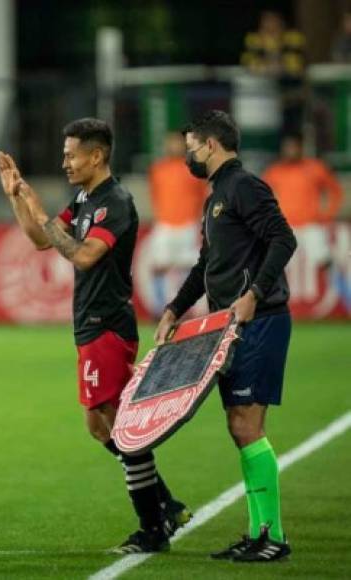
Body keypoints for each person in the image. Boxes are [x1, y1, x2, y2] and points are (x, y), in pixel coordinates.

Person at [0, 118, 190, 554]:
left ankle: (153, 528)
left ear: (96, 155)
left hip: (107, 324)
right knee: (98, 426)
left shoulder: (113, 202)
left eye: (71, 154)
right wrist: (18, 198)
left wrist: (41, 213)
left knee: (117, 423)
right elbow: (42, 240)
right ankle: (166, 504)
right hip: (89, 324)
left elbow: (82, 256)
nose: (64, 161)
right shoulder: (85, 198)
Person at [155, 110, 297, 562]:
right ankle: (258, 531)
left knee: (245, 425)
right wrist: (175, 308)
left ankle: (271, 535)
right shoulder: (217, 195)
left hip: (261, 320)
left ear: (212, 145)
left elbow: (283, 239)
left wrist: (255, 293)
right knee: (241, 427)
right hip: (229, 327)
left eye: (192, 147)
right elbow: (205, 266)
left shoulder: (244, 187)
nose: (188, 156)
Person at [262, 133, 343, 279]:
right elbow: (260, 197)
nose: (290, 150)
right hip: (285, 227)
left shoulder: (315, 168)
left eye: (294, 147)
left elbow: (335, 190)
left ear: (301, 147)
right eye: (287, 147)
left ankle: (343, 294)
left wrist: (328, 214)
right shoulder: (274, 172)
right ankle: (272, 299)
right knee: (272, 265)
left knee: (324, 262)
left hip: (309, 225)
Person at [148, 131, 208, 317]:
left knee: (188, 267)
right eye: (170, 143)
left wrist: (200, 222)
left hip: (188, 225)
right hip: (165, 224)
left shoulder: (194, 168)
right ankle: (159, 309)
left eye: (177, 143)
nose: (174, 147)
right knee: (158, 266)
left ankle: (183, 307)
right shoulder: (157, 169)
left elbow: (202, 196)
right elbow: (155, 196)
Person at [241, 10, 306, 136]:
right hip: (262, 97)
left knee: (290, 129)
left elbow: (297, 65)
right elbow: (248, 63)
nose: (270, 24)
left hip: (289, 94)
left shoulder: (293, 38)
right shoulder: (253, 39)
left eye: (273, 21)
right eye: (267, 21)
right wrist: (267, 67)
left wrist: (280, 65)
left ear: (281, 22)